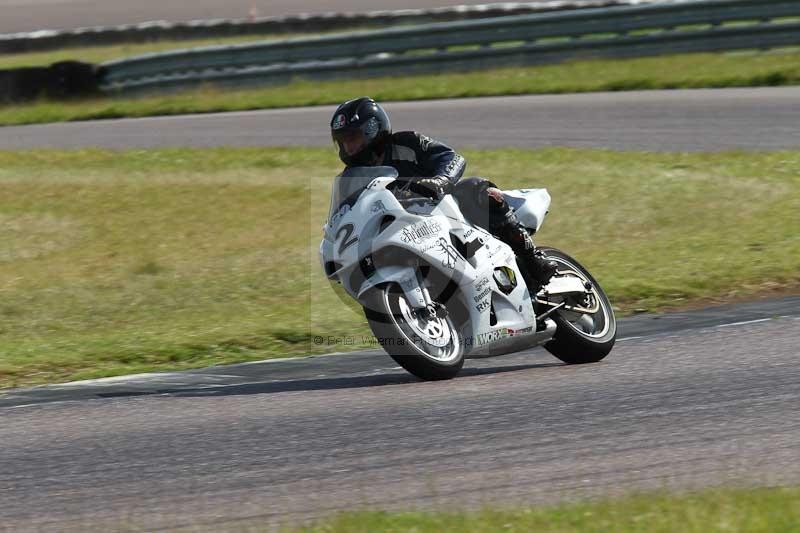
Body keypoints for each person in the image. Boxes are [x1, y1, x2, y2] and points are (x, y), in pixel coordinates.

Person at [330, 96, 557, 290]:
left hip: (442, 210)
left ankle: (533, 258)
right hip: (402, 229)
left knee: (478, 188)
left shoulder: (406, 142)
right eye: (344, 142)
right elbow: (345, 214)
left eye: (353, 138)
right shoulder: (351, 178)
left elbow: (451, 158)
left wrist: (441, 180)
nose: (349, 148)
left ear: (372, 129)